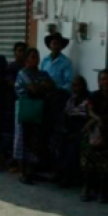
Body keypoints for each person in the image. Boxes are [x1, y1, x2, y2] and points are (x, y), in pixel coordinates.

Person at [80, 69, 108, 203]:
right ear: (99, 81)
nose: (106, 82)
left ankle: (103, 190)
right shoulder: (94, 96)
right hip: (94, 134)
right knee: (86, 156)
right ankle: (86, 188)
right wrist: (97, 120)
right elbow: (89, 110)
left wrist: (98, 120)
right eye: (103, 79)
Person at [14, 48, 56, 185]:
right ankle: (21, 172)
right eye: (32, 57)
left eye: (37, 57)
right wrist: (41, 86)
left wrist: (39, 86)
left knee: (35, 140)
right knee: (22, 139)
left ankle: (31, 171)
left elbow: (52, 85)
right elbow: (33, 89)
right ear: (26, 59)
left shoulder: (43, 73)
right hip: (25, 108)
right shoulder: (22, 73)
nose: (35, 59)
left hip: (38, 109)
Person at [41, 34, 74, 174]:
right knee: (44, 130)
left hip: (59, 99)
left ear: (61, 46)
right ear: (49, 45)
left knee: (57, 131)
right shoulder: (45, 60)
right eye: (53, 43)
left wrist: (55, 87)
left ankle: (56, 166)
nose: (55, 45)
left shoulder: (66, 62)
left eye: (58, 43)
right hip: (44, 98)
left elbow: (69, 84)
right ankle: (44, 163)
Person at [52, 75, 90, 188]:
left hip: (83, 128)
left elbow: (89, 119)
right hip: (70, 127)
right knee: (59, 141)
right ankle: (60, 171)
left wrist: (78, 133)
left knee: (74, 146)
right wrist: (63, 129)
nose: (76, 88)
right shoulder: (71, 99)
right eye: (74, 85)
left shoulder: (89, 100)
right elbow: (65, 115)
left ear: (84, 86)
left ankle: (69, 176)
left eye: (79, 85)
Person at [2, 42, 28, 171]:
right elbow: (10, 82)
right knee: (11, 132)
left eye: (23, 51)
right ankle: (11, 158)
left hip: (26, 104)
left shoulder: (28, 67)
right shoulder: (12, 67)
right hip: (12, 102)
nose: (21, 53)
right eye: (18, 50)